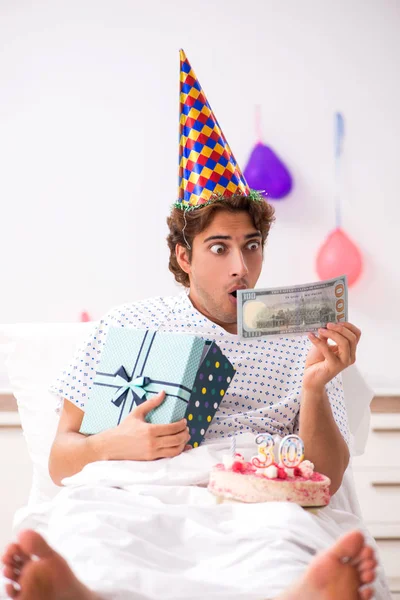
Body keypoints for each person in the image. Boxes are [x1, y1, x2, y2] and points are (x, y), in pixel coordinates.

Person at [1, 50, 377, 599]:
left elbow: (327, 476)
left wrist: (316, 386)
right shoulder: (127, 324)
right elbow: (61, 461)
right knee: (96, 532)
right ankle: (79, 588)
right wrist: (115, 443)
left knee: (278, 543)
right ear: (183, 255)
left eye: (252, 247)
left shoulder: (306, 342)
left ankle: (300, 590)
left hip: (257, 498)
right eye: (219, 248)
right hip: (133, 488)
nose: (240, 267)